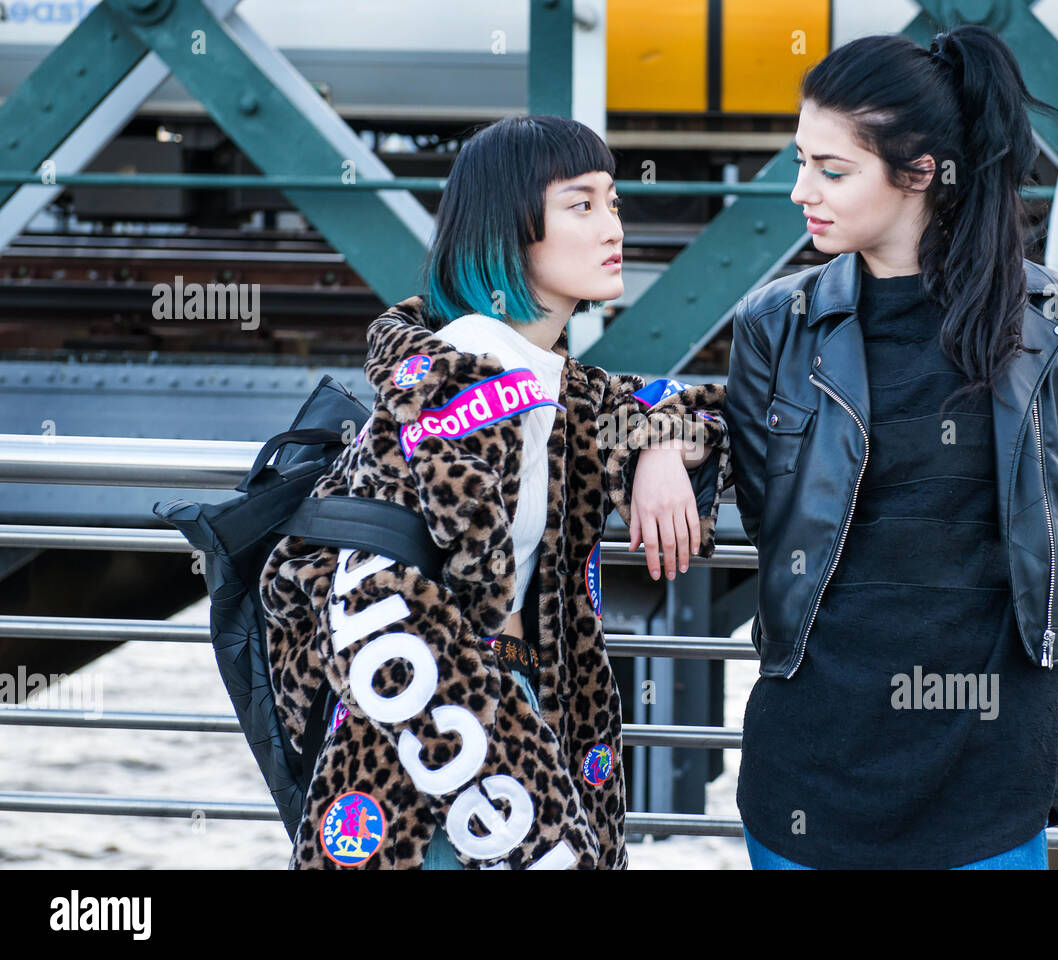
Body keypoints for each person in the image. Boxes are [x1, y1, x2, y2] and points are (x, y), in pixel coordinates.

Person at [259, 115, 731, 869]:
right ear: (506, 231)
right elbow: (376, 606)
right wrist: (532, 830)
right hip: (438, 771)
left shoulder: (542, 378)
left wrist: (662, 444)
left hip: (500, 729)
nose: (612, 224)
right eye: (580, 205)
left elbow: (701, 411)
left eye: (612, 200)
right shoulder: (461, 384)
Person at [724, 26, 1058, 869]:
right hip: (815, 750)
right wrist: (649, 441)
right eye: (801, 161)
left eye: (832, 170)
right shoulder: (773, 326)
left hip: (989, 760)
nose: (801, 191)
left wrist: (1036, 683)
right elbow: (770, 514)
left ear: (922, 173)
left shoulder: (1056, 322)